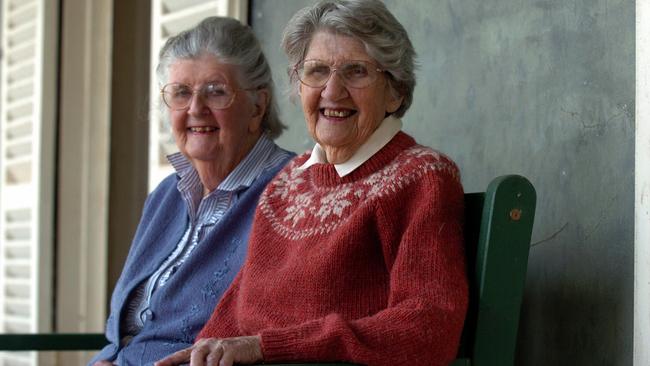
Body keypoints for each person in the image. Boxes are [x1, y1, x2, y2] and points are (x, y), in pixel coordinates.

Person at [156, 1, 468, 365]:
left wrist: (269, 347)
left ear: (395, 91)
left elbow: (428, 328)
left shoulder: (421, 178)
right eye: (317, 71)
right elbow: (236, 314)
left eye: (356, 71)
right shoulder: (288, 182)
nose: (332, 91)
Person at [89, 16, 294, 366]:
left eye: (216, 91)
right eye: (181, 93)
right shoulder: (166, 194)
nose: (196, 109)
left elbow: (288, 328)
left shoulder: (297, 191)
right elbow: (122, 334)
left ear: (258, 106)